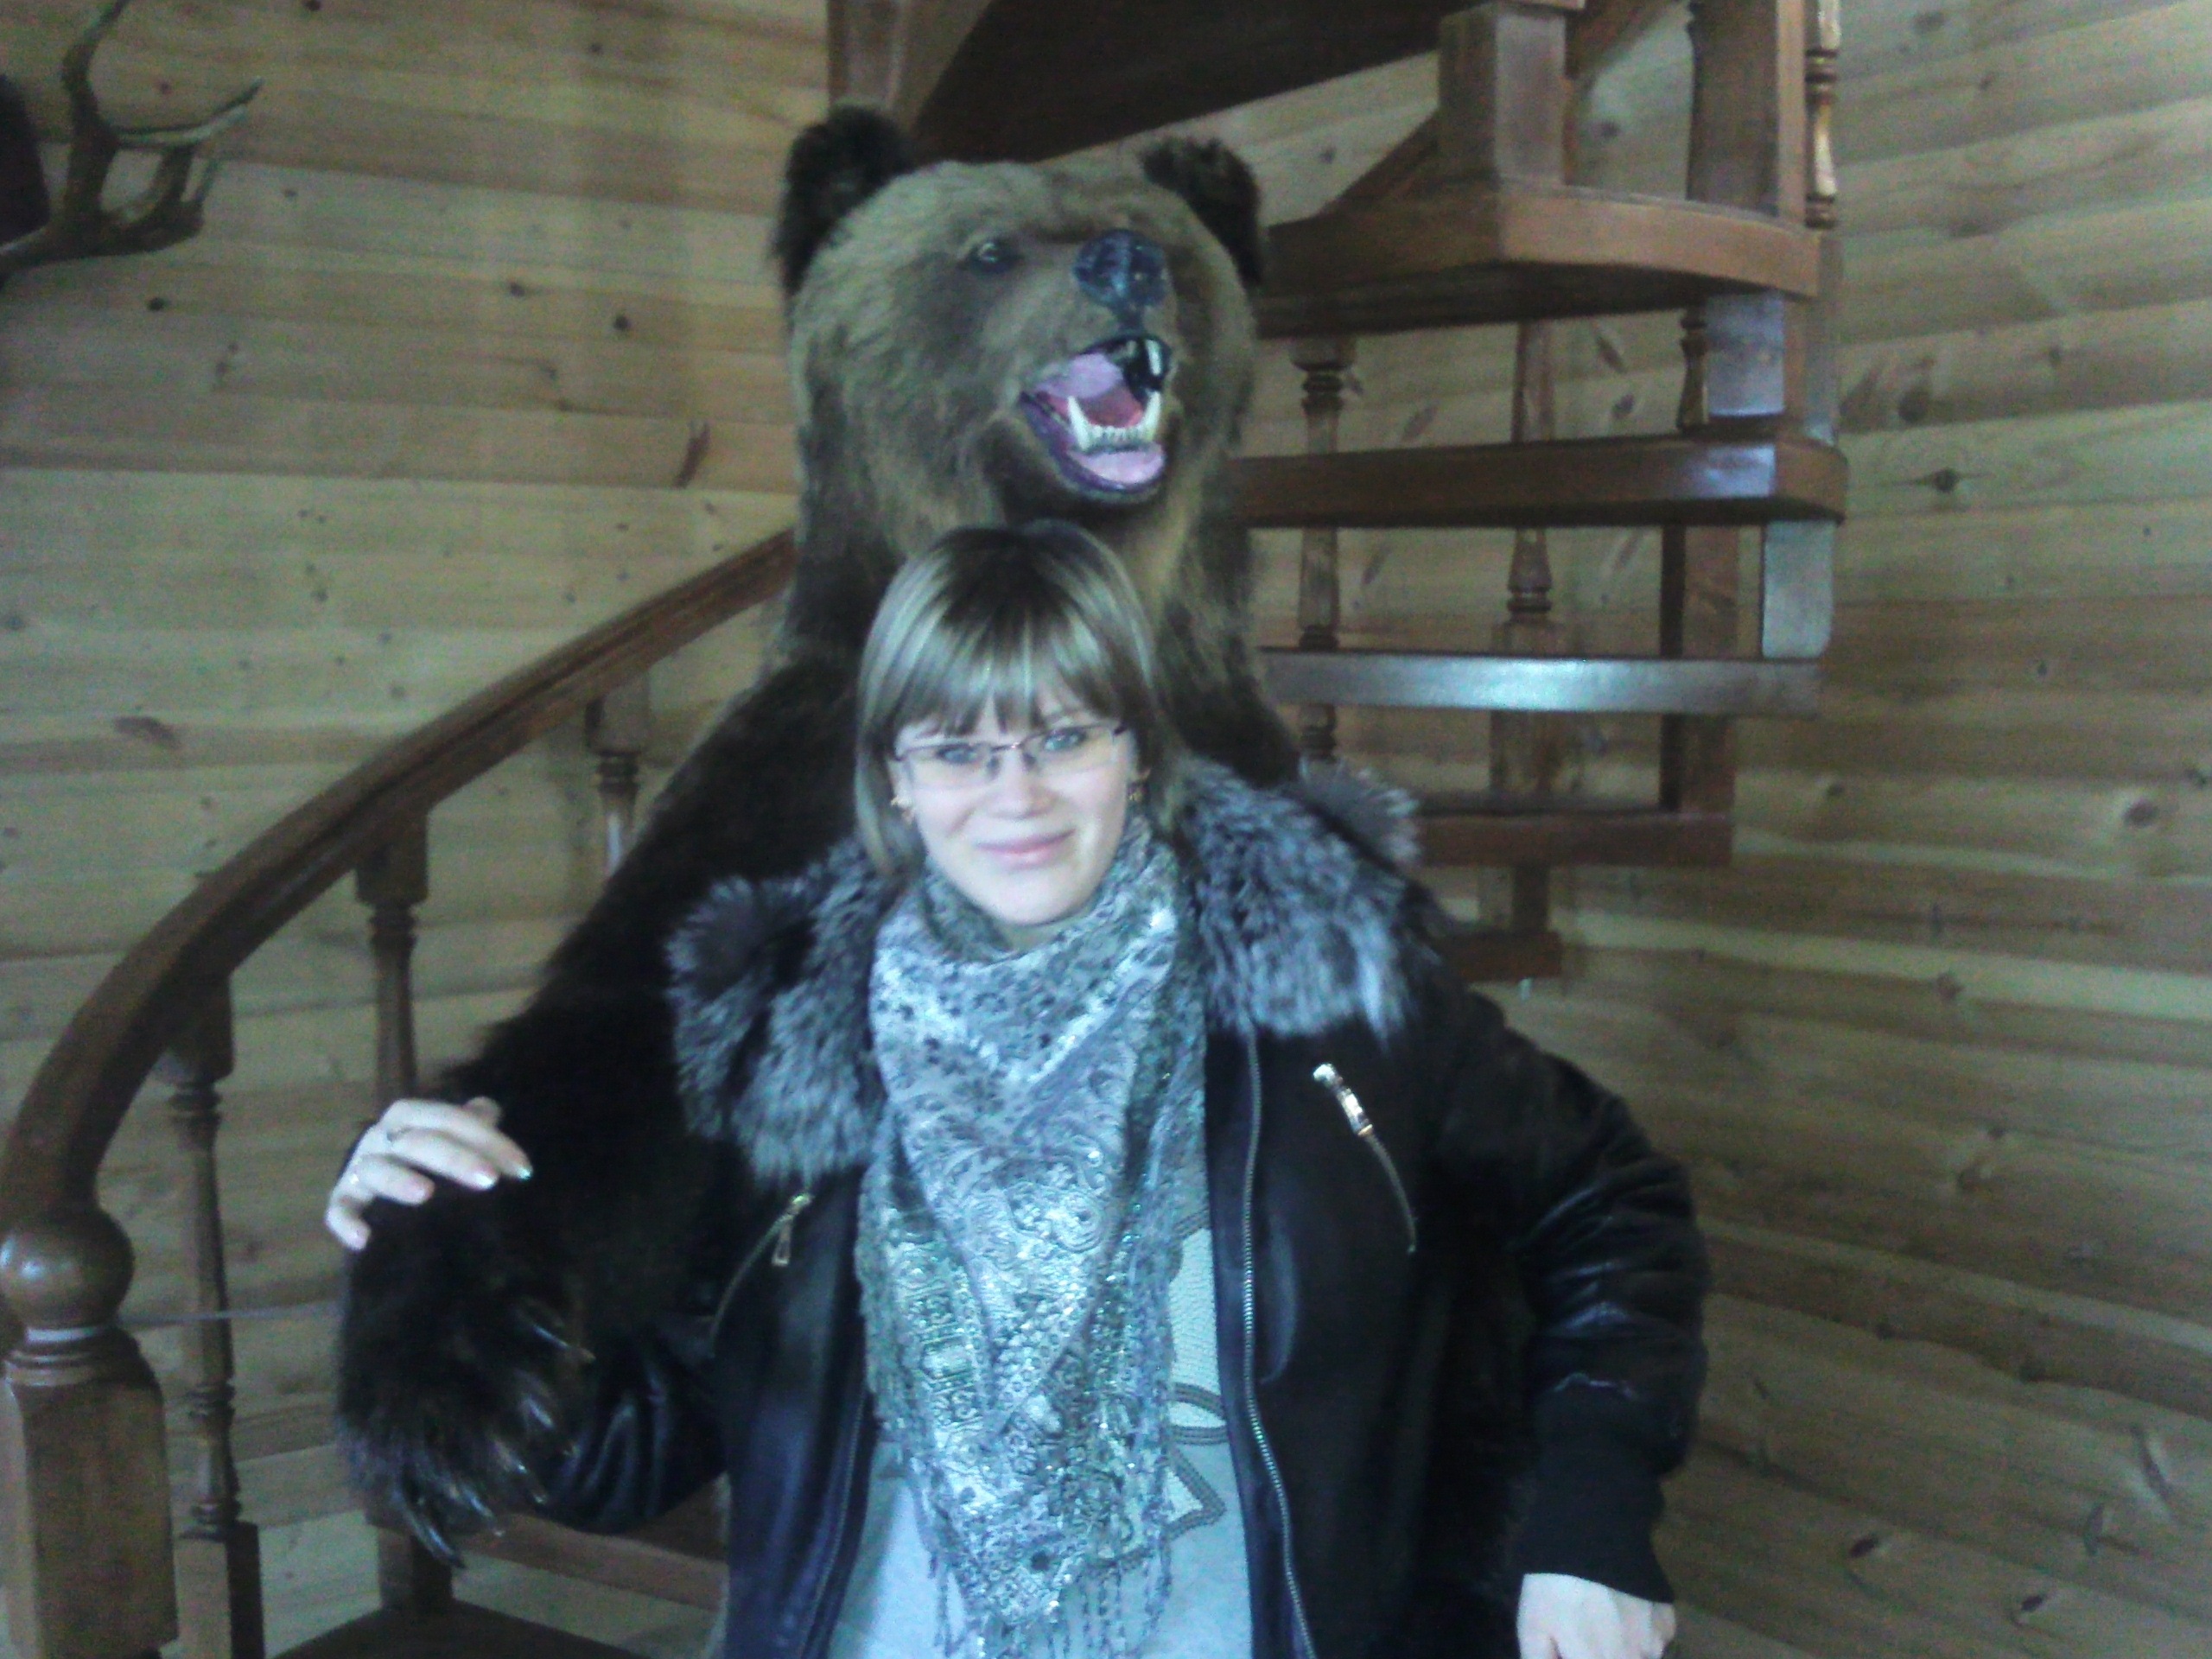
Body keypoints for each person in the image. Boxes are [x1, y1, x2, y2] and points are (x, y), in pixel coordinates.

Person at [328, 522, 1707, 1659]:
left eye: (1063, 736)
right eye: (958, 748)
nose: (1017, 796)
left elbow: (1607, 1200)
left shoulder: (1328, 991)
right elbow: (641, 1447)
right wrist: (448, 1268)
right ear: (895, 780)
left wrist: (1591, 1509)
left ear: (1141, 753)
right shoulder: (790, 1058)